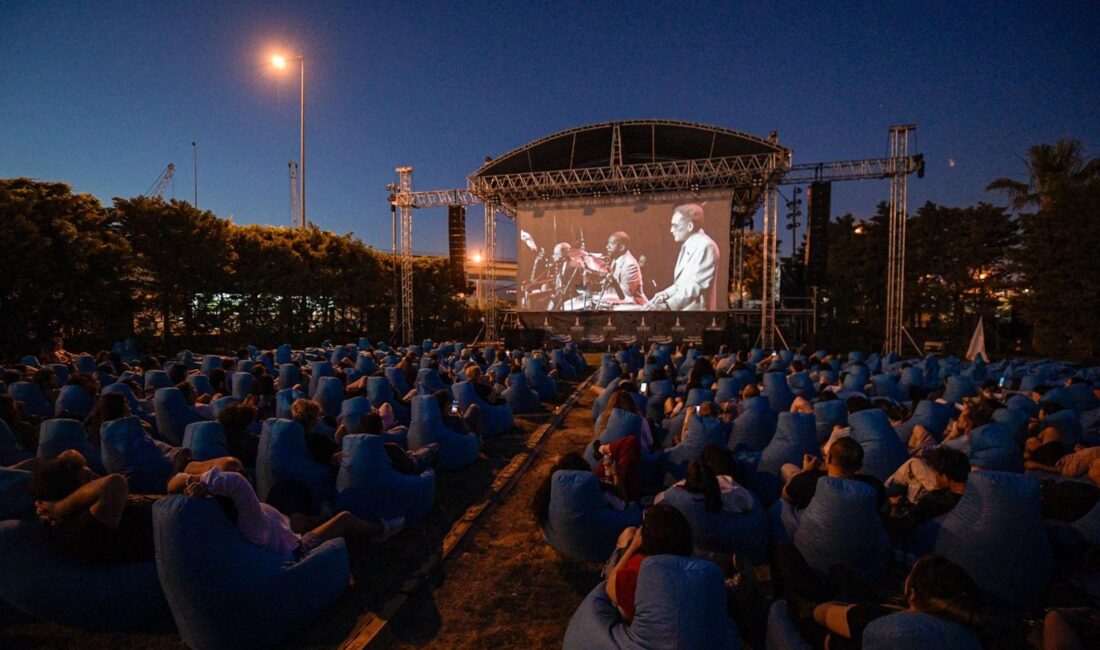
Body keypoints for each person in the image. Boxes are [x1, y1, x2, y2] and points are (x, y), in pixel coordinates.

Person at [29, 449, 242, 565]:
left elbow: (70, 454)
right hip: (202, 523)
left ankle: (189, 468)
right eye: (89, 478)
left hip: (182, 500)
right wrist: (59, 508)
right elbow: (114, 483)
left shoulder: (89, 509)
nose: (96, 476)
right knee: (231, 468)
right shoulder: (79, 527)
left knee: (227, 465)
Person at [168, 466, 403, 561]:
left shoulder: (235, 518)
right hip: (294, 551)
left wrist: (192, 481)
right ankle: (381, 530)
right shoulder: (248, 516)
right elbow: (235, 480)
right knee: (345, 518)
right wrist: (208, 478)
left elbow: (174, 481)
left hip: (283, 532)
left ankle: (322, 517)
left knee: (297, 518)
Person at [812, 555, 985, 650]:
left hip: (833, 632)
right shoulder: (968, 628)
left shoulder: (881, 622)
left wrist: (854, 608)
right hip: (891, 611)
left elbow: (819, 613)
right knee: (841, 574)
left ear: (912, 593)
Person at [604, 504, 694, 622]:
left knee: (627, 534)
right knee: (629, 533)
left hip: (632, 623)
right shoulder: (698, 572)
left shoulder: (640, 571)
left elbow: (609, 586)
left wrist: (633, 546)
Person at [781, 437, 887, 511]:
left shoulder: (806, 480)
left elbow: (786, 496)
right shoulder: (873, 486)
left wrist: (805, 471)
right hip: (857, 537)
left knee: (787, 468)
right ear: (858, 466)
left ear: (829, 458)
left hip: (811, 533)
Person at [646, 203, 719, 311]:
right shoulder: (690, 244)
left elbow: (696, 285)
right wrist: (665, 294)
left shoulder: (706, 246)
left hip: (696, 317)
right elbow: (681, 285)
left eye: (675, 226)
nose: (671, 230)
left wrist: (667, 305)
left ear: (690, 226)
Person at [884, 447, 970, 538]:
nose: (935, 477)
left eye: (936, 474)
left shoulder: (935, 500)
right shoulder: (970, 494)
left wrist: (895, 506)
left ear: (945, 477)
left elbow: (897, 529)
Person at [597, 231, 647, 307]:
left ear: (621, 247)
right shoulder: (616, 259)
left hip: (635, 306)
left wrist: (611, 281)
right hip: (622, 303)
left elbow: (625, 296)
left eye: (611, 243)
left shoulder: (630, 265)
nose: (607, 246)